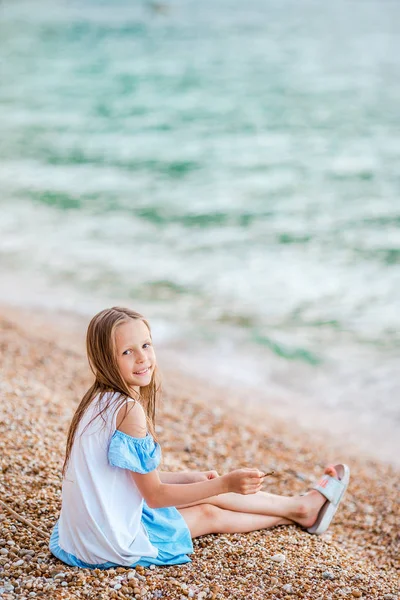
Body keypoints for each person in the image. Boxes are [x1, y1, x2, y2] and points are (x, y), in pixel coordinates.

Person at [49, 306, 350, 569]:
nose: (143, 358)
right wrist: (223, 484)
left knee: (206, 488)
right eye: (127, 352)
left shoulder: (96, 401)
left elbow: (125, 476)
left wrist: (189, 477)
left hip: (79, 536)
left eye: (146, 345)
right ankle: (301, 512)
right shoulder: (129, 411)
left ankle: (299, 507)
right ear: (105, 359)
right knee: (209, 511)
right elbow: (154, 497)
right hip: (105, 546)